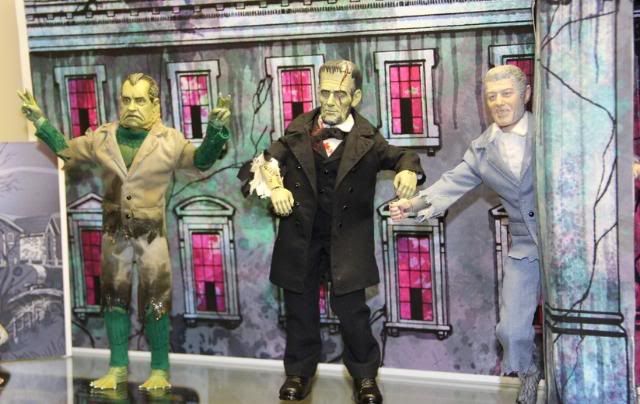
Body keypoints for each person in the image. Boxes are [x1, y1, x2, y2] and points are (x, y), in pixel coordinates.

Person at [18, 73, 231, 390]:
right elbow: (67, 150)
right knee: (113, 299)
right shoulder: (103, 137)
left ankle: (159, 369)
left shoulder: (170, 140)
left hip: (152, 234)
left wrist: (214, 132)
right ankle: (117, 367)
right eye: (126, 99)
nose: (131, 107)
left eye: (140, 100)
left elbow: (199, 161)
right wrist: (40, 121)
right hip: (114, 233)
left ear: (155, 105)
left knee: (156, 299)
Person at [254, 60, 424, 404]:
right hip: (301, 238)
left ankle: (364, 377)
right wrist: (276, 187)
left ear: (356, 97)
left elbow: (402, 155)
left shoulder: (367, 139)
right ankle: (298, 372)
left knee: (353, 314)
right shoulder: (298, 130)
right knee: (299, 310)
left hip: (346, 242)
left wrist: (408, 171)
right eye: (325, 92)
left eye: (340, 94)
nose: (330, 101)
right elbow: (265, 161)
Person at [390, 64, 541, 404]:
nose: (499, 102)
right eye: (492, 96)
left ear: (526, 95)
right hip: (524, 248)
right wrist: (412, 205)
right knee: (511, 330)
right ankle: (529, 373)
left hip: (565, 244)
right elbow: (452, 183)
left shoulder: (549, 131)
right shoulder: (483, 148)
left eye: (507, 93)